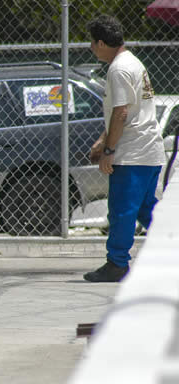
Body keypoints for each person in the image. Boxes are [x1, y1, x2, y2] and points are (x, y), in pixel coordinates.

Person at [83, 15, 165, 282]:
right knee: (146, 210)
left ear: (102, 42)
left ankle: (117, 263)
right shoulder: (132, 62)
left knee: (122, 210)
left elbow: (120, 113)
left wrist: (109, 151)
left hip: (132, 154)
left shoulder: (118, 69)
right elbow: (126, 111)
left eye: (93, 44)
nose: (92, 49)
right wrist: (102, 140)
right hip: (148, 151)